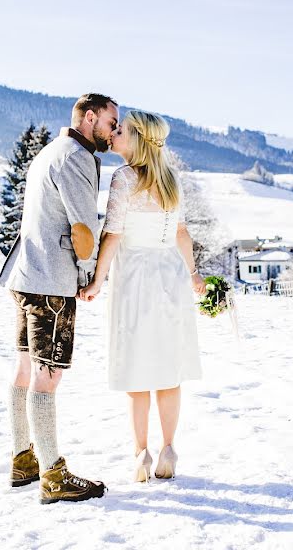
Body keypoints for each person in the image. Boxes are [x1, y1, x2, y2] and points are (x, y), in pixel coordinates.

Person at [0, 93, 119, 504]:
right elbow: (84, 228)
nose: (114, 131)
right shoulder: (76, 158)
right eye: (110, 122)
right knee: (49, 374)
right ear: (89, 118)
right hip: (52, 281)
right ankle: (53, 474)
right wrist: (88, 279)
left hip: (26, 272)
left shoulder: (52, 150)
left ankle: (23, 458)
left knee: (26, 366)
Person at [79, 110, 205, 482]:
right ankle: (168, 447)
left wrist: (97, 281)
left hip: (135, 278)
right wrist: (194, 274)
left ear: (139, 140)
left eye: (122, 130)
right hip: (170, 278)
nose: (115, 133)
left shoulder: (124, 178)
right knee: (168, 370)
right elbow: (181, 233)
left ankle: (141, 453)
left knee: (137, 371)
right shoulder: (171, 180)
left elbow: (113, 235)